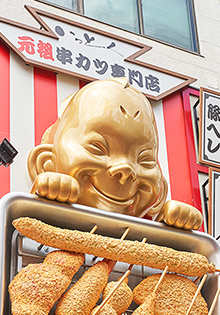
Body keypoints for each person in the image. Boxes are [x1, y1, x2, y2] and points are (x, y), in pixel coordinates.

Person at [27, 78, 202, 230]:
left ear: (160, 194)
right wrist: (49, 195)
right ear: (45, 163)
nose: (126, 170)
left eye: (145, 160)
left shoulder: (145, 219)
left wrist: (169, 228)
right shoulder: (28, 210)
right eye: (98, 148)